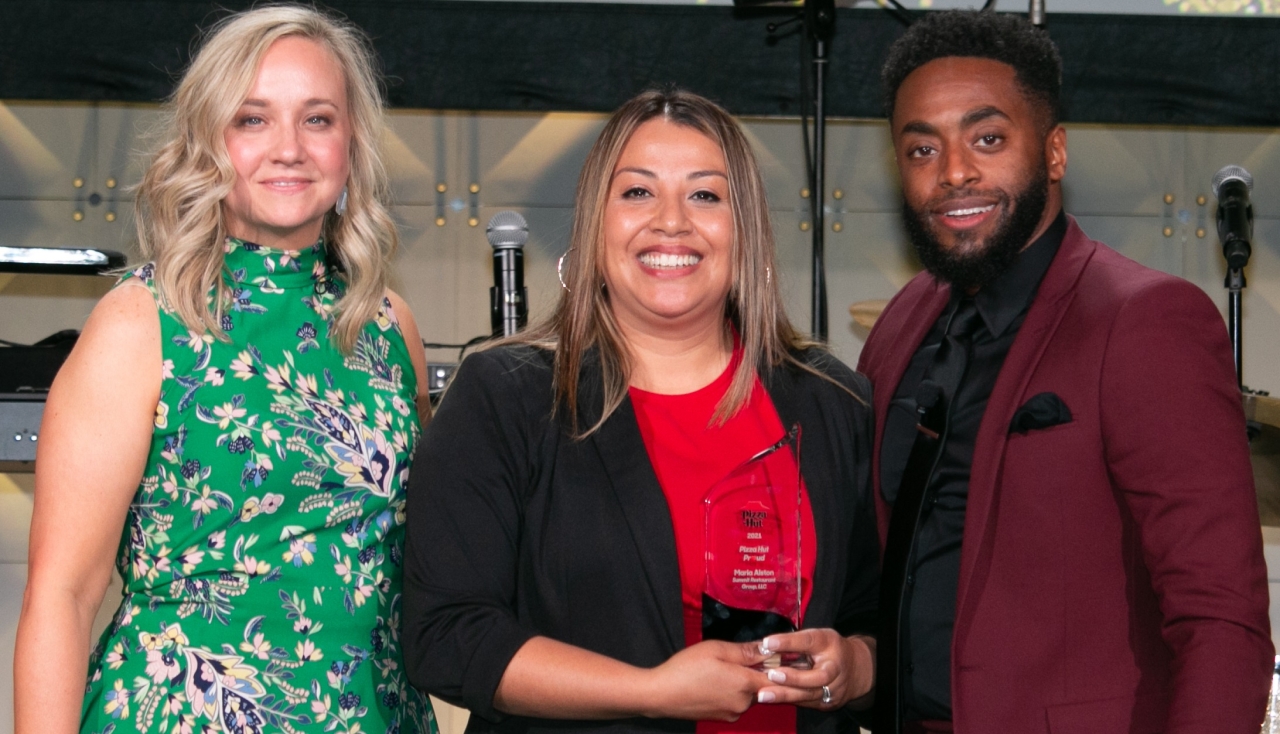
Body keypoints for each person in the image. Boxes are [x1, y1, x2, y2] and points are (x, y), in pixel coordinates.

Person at [13, 6, 436, 734]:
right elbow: (63, 596)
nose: (288, 149)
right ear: (208, 141)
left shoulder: (388, 324)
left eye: (318, 119)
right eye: (252, 119)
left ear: (352, 143)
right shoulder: (142, 320)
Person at [402, 89, 878, 734]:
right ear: (596, 224)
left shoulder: (830, 400)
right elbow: (447, 636)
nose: (672, 221)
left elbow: (878, 621)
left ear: (747, 228)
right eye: (637, 193)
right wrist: (650, 691)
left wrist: (854, 665)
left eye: (705, 195)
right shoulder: (506, 396)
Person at [858, 10, 1273, 734]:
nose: (954, 172)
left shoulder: (1148, 321)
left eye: (988, 139)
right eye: (923, 149)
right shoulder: (903, 322)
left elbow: (1219, 620)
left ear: (1053, 152)